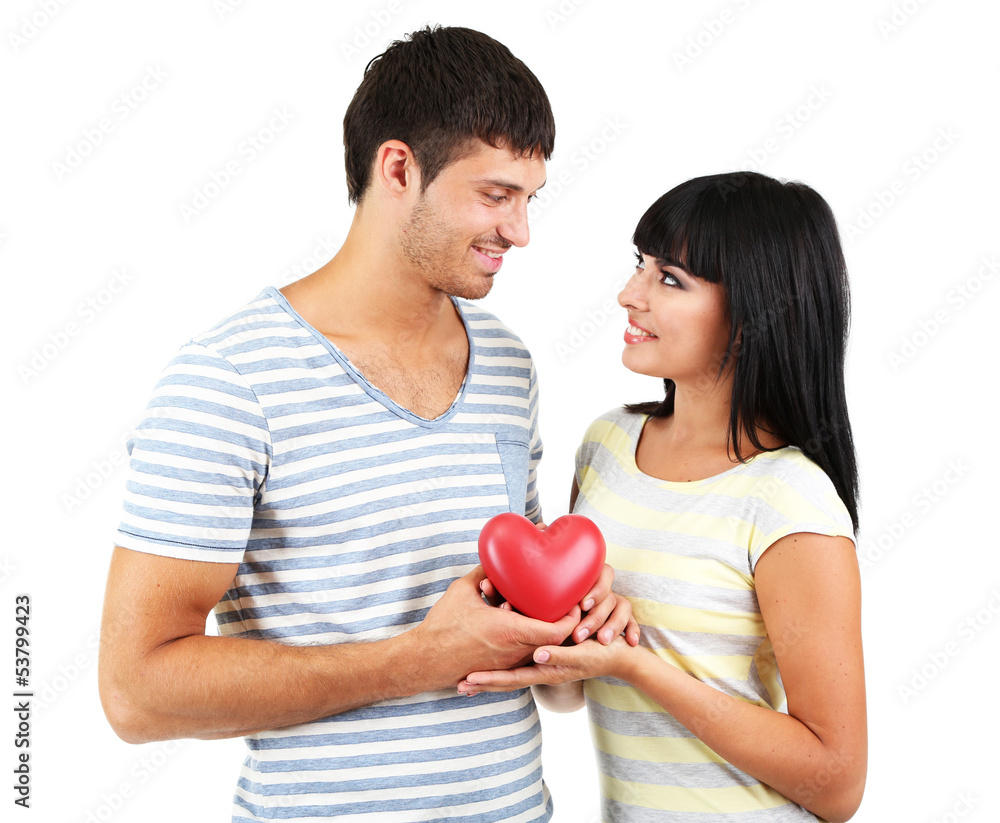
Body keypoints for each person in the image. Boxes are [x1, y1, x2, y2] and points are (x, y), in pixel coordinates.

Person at [98, 26, 635, 822]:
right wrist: (413, 660)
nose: (520, 231)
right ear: (398, 168)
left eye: (530, 198)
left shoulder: (508, 364)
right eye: (495, 194)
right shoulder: (229, 380)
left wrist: (576, 632)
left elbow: (516, 633)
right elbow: (136, 692)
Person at [460, 172, 868, 822]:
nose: (629, 295)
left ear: (755, 310)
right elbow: (571, 691)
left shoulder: (789, 498)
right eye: (639, 266)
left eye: (670, 278)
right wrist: (552, 624)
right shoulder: (608, 445)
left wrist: (640, 666)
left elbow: (837, 781)